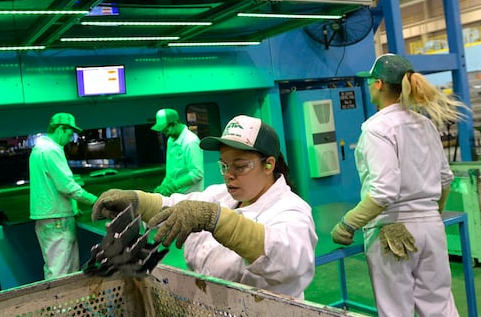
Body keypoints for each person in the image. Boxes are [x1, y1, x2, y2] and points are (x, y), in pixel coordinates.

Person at [93, 115, 318, 298]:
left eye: (240, 166)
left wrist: (219, 221)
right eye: (224, 165)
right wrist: (138, 201)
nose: (229, 175)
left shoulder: (292, 211)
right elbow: (174, 206)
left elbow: (287, 260)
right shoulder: (219, 195)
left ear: (269, 164)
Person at [330, 53, 469, 317]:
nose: (369, 87)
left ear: (379, 84)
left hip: (392, 231)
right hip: (432, 228)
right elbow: (446, 178)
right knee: (441, 313)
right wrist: (430, 215)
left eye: (371, 82)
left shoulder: (376, 128)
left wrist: (348, 224)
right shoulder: (425, 124)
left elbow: (384, 191)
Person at [29, 112, 98, 279]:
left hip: (51, 218)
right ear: (60, 129)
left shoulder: (38, 150)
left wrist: (73, 207)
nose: (70, 138)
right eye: (69, 133)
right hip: (57, 220)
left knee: (58, 269)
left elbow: (55, 183)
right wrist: (97, 201)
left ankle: (64, 305)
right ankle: (59, 305)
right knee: (61, 273)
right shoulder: (51, 150)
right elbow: (67, 186)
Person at [150, 108, 204, 195]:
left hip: (190, 196)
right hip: (176, 195)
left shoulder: (190, 142)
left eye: (167, 130)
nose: (166, 134)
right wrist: (163, 186)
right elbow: (170, 171)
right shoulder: (171, 140)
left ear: (175, 124)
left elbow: (197, 173)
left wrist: (174, 186)